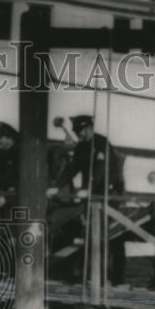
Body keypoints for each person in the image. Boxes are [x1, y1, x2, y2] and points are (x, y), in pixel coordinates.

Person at [46, 114, 127, 282]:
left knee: (110, 236)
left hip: (108, 196)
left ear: (89, 128)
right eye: (77, 132)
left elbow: (102, 171)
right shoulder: (82, 147)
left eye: (81, 131)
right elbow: (72, 169)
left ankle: (113, 277)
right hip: (91, 197)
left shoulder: (102, 143)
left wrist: (88, 189)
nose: (79, 135)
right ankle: (89, 275)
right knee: (90, 233)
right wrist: (57, 186)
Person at [0, 121, 19, 215]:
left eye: (0, 138)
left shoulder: (20, 155)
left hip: (14, 200)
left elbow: (17, 179)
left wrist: (6, 197)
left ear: (10, 139)